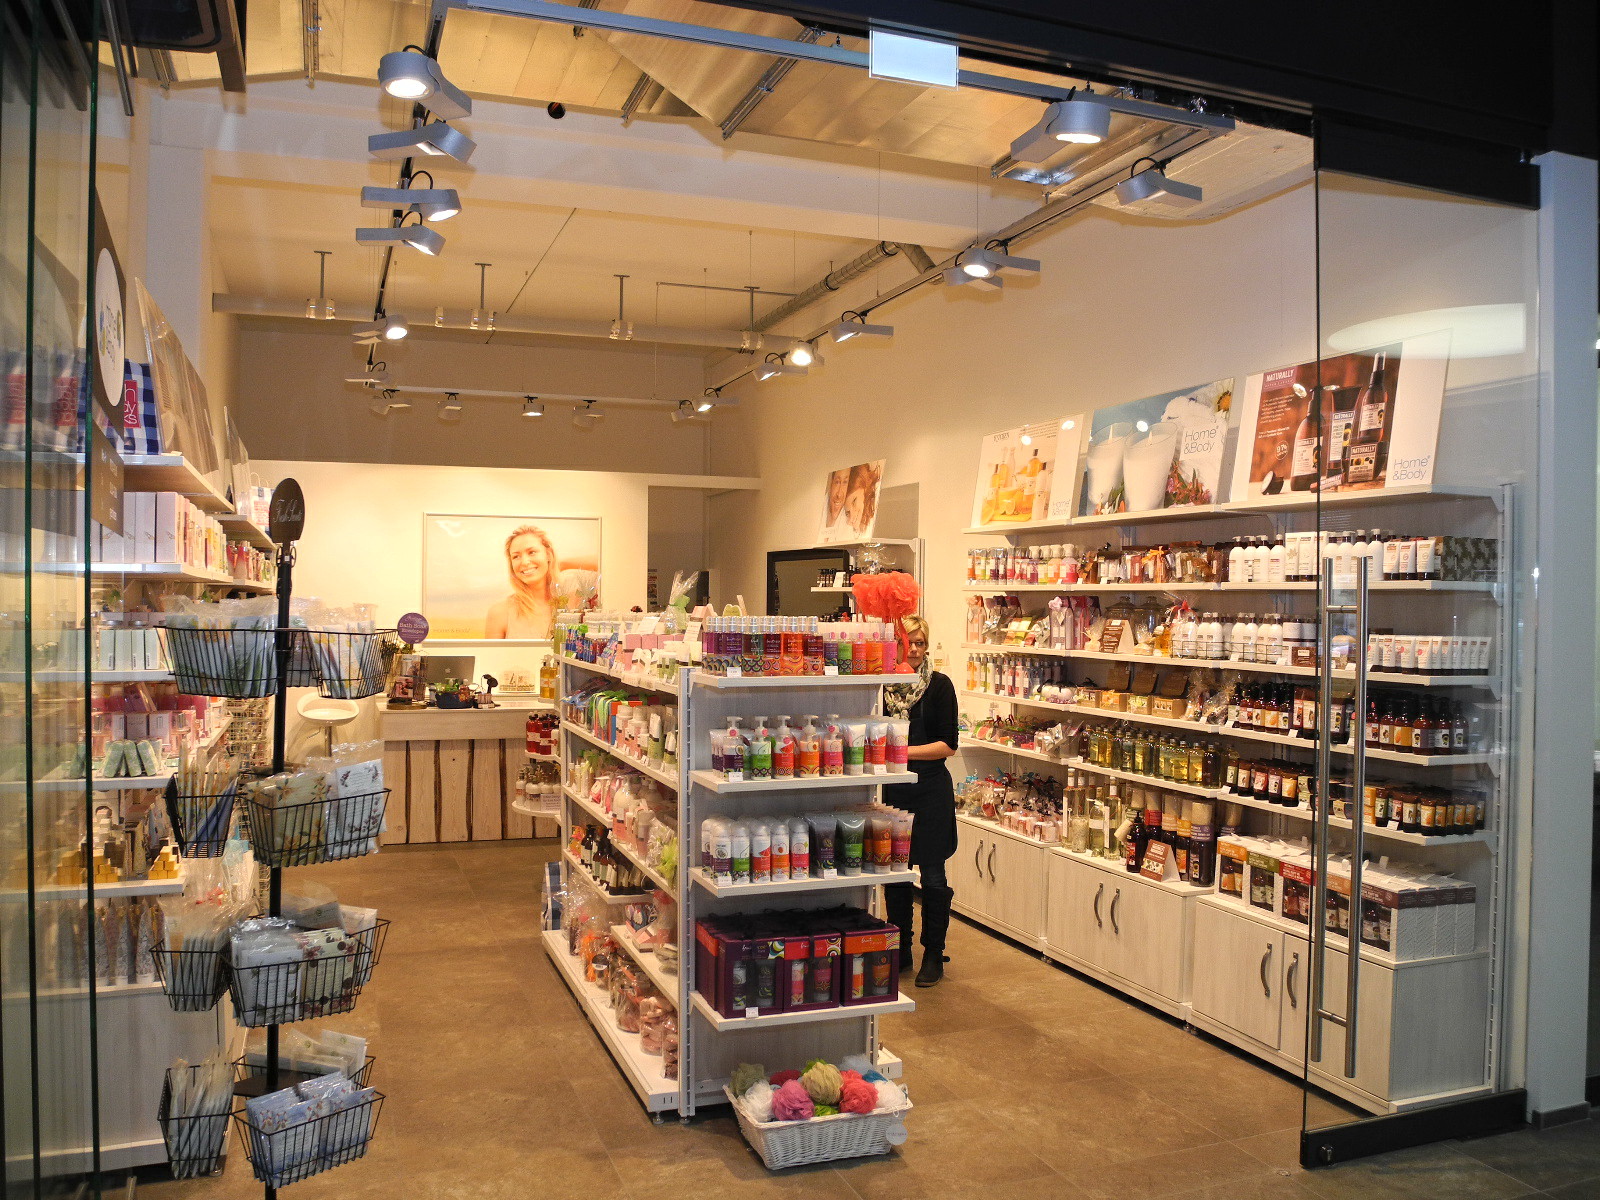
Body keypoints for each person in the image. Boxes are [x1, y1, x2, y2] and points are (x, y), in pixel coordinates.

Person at [882, 615, 958, 987]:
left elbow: (948, 745)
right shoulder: (883, 686)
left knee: (933, 876)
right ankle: (901, 951)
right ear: (895, 645)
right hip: (893, 791)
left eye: (920, 643)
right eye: (907, 642)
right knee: (896, 874)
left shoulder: (939, 686)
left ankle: (933, 954)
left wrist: (902, 752)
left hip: (930, 791)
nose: (914, 650)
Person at [485, 525, 560, 639]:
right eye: (516, 556)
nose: (524, 562)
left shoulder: (571, 601)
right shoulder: (500, 613)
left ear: (548, 554)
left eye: (532, 552)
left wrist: (560, 564)